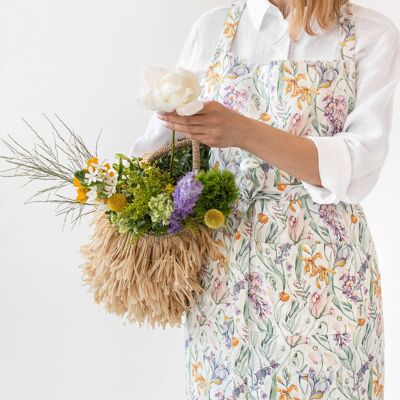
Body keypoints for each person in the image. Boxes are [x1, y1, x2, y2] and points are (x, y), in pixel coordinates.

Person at [129, 0, 400, 398]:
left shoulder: (369, 33)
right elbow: (156, 151)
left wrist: (243, 132)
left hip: (326, 275)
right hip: (225, 269)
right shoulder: (215, 29)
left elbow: (359, 165)